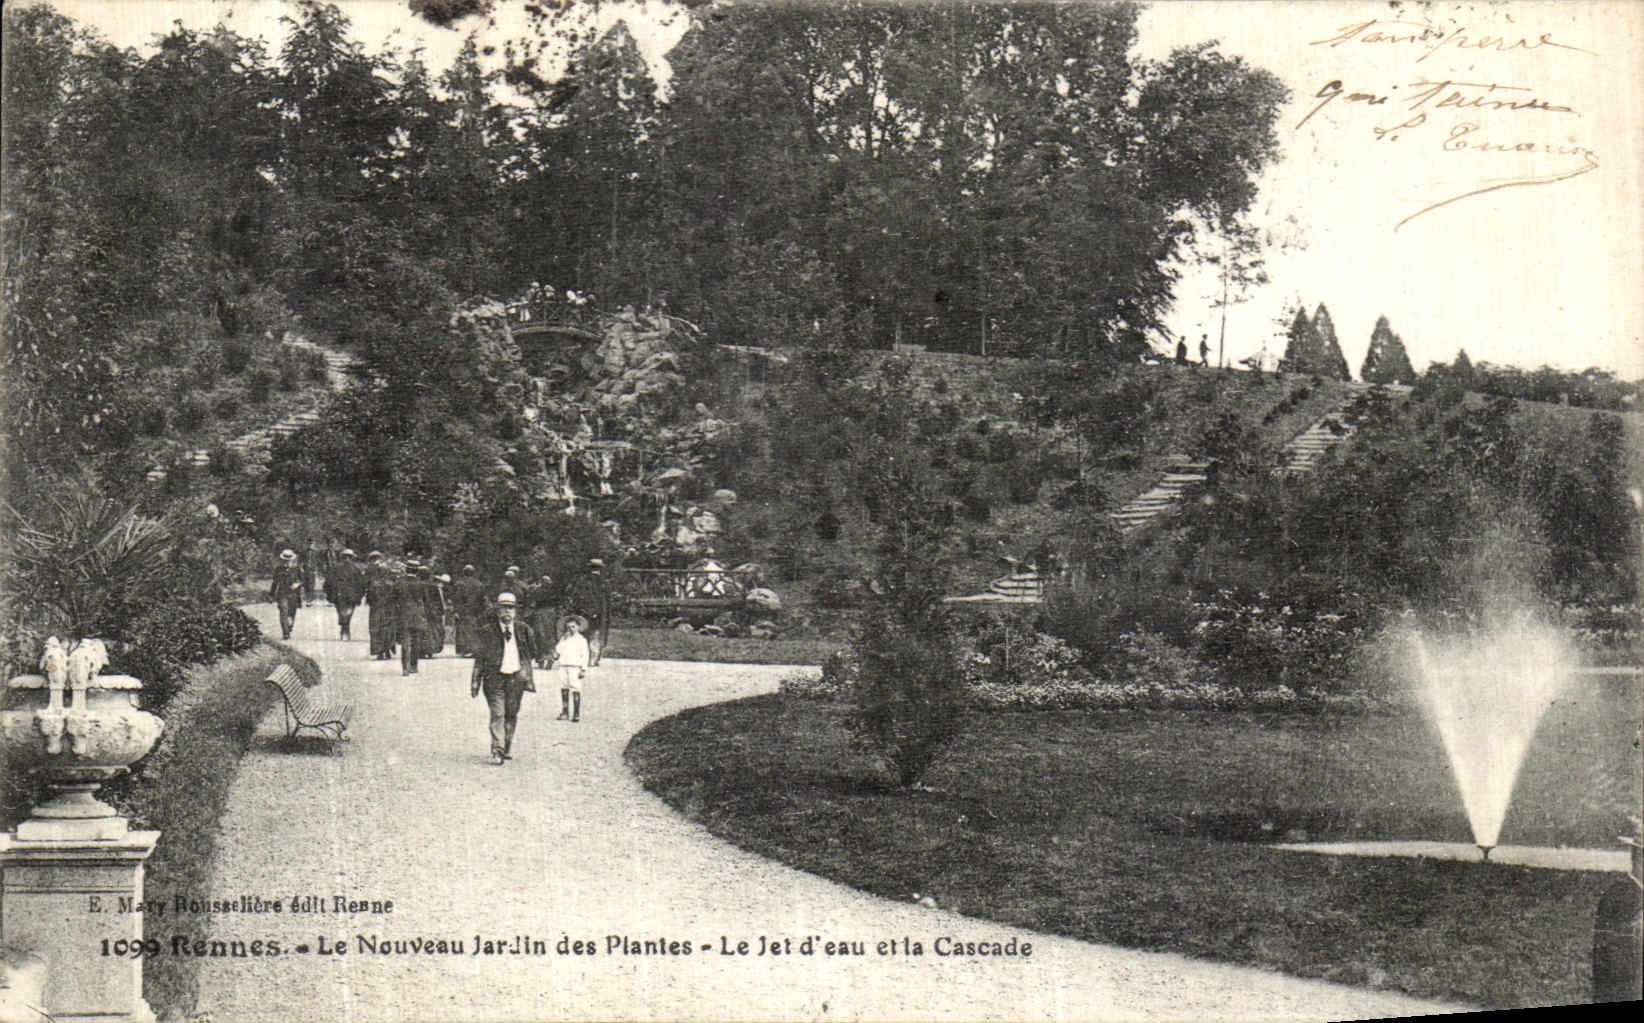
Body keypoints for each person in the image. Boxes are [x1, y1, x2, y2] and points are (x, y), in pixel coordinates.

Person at [470, 592, 538, 764]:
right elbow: (479, 658)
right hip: (494, 678)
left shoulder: (524, 630)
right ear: (497, 611)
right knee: (498, 713)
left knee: (511, 713)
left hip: (516, 678)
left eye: (511, 608)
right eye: (503, 608)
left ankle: (506, 746)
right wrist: (475, 681)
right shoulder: (487, 631)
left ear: (515, 612)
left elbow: (533, 652)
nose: (507, 611)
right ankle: (498, 748)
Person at [553, 614, 591, 723]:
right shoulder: (564, 639)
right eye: (568, 627)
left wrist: (583, 669)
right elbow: (558, 651)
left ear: (578, 627)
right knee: (564, 687)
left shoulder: (581, 640)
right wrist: (556, 653)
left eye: (573, 627)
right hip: (563, 666)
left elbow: (585, 655)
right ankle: (565, 712)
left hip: (575, 667)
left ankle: (576, 713)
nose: (571, 629)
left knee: (575, 688)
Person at [324, 548, 366, 640]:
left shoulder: (355, 569)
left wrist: (359, 594)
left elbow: (361, 583)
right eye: (345, 557)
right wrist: (330, 593)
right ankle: (345, 629)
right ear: (342, 558)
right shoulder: (336, 568)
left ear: (351, 558)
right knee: (343, 613)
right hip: (341, 594)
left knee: (347, 613)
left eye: (349, 557)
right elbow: (329, 581)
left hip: (350, 595)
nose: (347, 559)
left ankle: (345, 629)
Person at [364, 551, 398, 660]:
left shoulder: (372, 577)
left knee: (377, 628)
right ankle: (386, 650)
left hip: (378, 607)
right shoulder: (389, 579)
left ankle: (381, 650)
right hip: (386, 607)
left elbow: (366, 587)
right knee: (386, 628)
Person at [396, 561, 426, 676]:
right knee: (416, 640)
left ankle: (405, 668)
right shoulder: (421, 584)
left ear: (406, 570)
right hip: (418, 615)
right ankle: (414, 666)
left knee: (405, 641)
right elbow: (425, 599)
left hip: (404, 614)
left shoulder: (400, 583)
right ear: (417, 571)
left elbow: (394, 597)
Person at [451, 564, 486, 656]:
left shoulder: (459, 584)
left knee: (462, 630)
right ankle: (474, 650)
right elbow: (482, 600)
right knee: (474, 630)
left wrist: (456, 611)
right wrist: (482, 611)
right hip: (475, 611)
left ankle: (464, 650)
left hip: (463, 611)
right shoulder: (479, 584)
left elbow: (456, 599)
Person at [270, 549, 304, 640]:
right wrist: (271, 594)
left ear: (292, 560)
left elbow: (303, 580)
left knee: (291, 613)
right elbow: (275, 582)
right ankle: (285, 633)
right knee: (283, 611)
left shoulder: (297, 569)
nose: (286, 562)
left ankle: (289, 627)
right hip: (282, 594)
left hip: (294, 594)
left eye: (288, 560)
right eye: (284, 560)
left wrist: (297, 584)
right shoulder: (278, 570)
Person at [525, 573, 558, 668]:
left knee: (545, 635)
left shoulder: (543, 591)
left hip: (546, 613)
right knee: (541, 635)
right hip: (543, 613)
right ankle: (542, 658)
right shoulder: (540, 591)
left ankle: (547, 657)